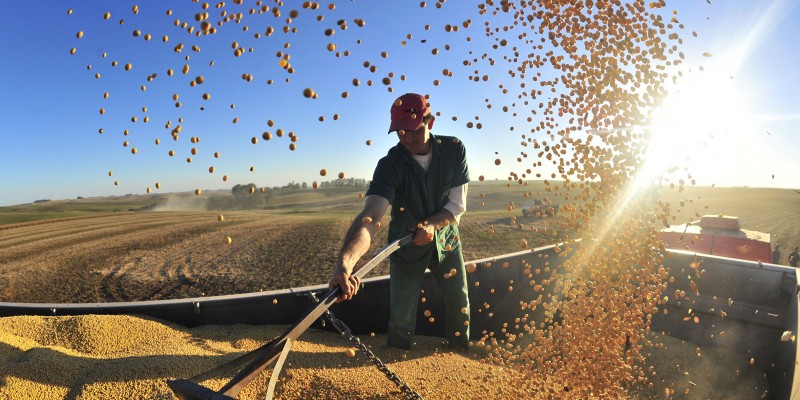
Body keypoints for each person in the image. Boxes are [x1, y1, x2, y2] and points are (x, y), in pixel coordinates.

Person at [328, 93, 470, 350]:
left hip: (446, 241)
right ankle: (398, 355)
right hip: (406, 247)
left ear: (431, 121)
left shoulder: (453, 149)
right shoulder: (390, 164)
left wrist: (432, 226)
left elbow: (456, 205)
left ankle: (460, 353)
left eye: (413, 129)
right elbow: (370, 218)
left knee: (459, 301)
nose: (406, 137)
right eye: (400, 131)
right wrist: (345, 263)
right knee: (402, 313)